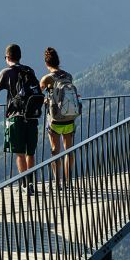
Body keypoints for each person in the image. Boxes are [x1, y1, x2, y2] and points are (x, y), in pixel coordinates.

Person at [0, 43, 45, 179]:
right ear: (20, 57)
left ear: (7, 57)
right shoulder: (29, 70)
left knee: (20, 153)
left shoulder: (6, 72)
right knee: (30, 153)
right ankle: (31, 181)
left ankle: (24, 183)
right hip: (32, 116)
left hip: (16, 117)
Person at [39, 47, 82, 184]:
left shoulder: (47, 78)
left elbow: (38, 94)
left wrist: (46, 100)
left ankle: (57, 182)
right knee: (69, 150)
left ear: (46, 63)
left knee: (55, 151)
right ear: (58, 62)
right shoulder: (68, 76)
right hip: (69, 118)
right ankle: (68, 181)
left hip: (55, 120)